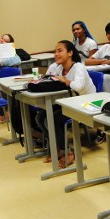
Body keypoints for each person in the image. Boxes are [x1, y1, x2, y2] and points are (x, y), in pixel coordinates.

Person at [35, 40, 96, 168]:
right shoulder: (58, 68)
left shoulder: (78, 67)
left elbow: (78, 87)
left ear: (70, 53)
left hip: (85, 103)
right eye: (55, 51)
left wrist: (64, 80)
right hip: (70, 102)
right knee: (41, 117)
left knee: (55, 119)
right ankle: (56, 149)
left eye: (60, 50)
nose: (56, 54)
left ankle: (68, 152)